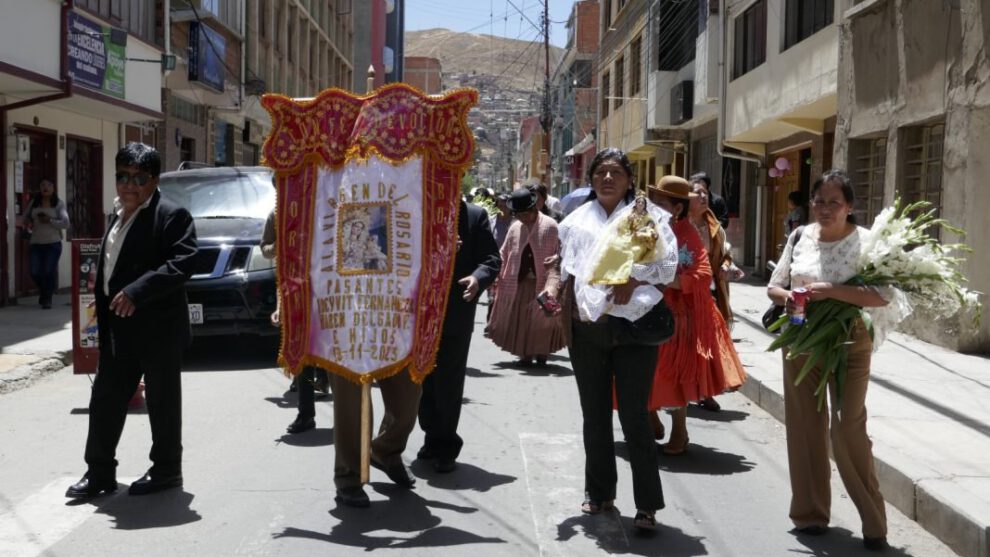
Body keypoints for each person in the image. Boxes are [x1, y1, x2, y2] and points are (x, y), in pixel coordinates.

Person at [550, 148, 679, 531]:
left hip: (634, 327)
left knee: (635, 415)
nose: (607, 179)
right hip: (587, 327)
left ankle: (647, 505)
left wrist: (633, 278)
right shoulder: (574, 221)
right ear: (591, 179)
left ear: (629, 180)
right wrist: (552, 289)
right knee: (594, 414)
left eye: (615, 173)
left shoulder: (646, 215)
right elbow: (563, 266)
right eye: (601, 172)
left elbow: (668, 266)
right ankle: (599, 492)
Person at [767, 170, 892, 552]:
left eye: (834, 202)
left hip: (851, 341)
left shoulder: (867, 242)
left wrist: (831, 291)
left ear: (849, 206)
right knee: (805, 425)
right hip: (802, 339)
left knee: (847, 426)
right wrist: (789, 298)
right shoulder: (800, 237)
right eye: (819, 201)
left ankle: (874, 521)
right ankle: (810, 514)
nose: (824, 208)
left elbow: (883, 295)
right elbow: (775, 285)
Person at [66, 143, 198, 499]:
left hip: (158, 329)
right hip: (119, 329)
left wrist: (137, 291)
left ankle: (167, 470)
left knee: (162, 403)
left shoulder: (172, 215)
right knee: (105, 399)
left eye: (139, 178)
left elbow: (183, 263)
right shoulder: (118, 212)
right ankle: (99, 473)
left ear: (154, 181)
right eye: (122, 176)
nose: (129, 185)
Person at [646, 176, 747, 455]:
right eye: (654, 201)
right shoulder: (646, 229)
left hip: (678, 318)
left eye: (661, 203)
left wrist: (669, 280)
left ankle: (679, 430)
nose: (654, 207)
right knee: (641, 370)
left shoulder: (687, 234)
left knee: (673, 375)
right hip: (643, 311)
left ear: (677, 208)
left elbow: (702, 275)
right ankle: (650, 415)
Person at [417, 198, 501, 473]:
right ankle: (431, 435)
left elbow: (491, 259)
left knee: (449, 382)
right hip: (419, 313)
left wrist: (477, 278)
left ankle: (445, 445)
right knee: (422, 380)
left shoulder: (475, 216)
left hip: (456, 313)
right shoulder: (416, 208)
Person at [487, 188, 565, 367]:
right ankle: (525, 355)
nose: (522, 218)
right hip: (520, 283)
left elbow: (559, 251)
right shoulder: (515, 227)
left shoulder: (551, 226)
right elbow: (505, 252)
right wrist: (496, 272)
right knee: (522, 320)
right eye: (518, 214)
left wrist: (555, 265)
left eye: (525, 214)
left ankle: (542, 353)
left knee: (543, 320)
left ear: (534, 208)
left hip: (544, 283)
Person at [687, 175, 746, 412]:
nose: (703, 196)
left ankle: (706, 391)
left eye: (705, 192)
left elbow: (725, 255)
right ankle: (679, 389)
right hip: (682, 294)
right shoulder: (676, 226)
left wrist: (726, 267)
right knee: (683, 346)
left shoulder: (716, 228)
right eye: (697, 192)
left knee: (708, 344)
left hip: (709, 295)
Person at [22, 179, 69, 309]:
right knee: (35, 271)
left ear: (53, 188)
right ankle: (45, 291)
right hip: (36, 242)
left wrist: (50, 220)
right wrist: (28, 221)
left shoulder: (58, 204)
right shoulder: (34, 203)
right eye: (42, 185)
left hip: (53, 243)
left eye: (48, 185)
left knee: (48, 271)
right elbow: (24, 218)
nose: (45, 187)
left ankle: (47, 298)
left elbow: (66, 223)